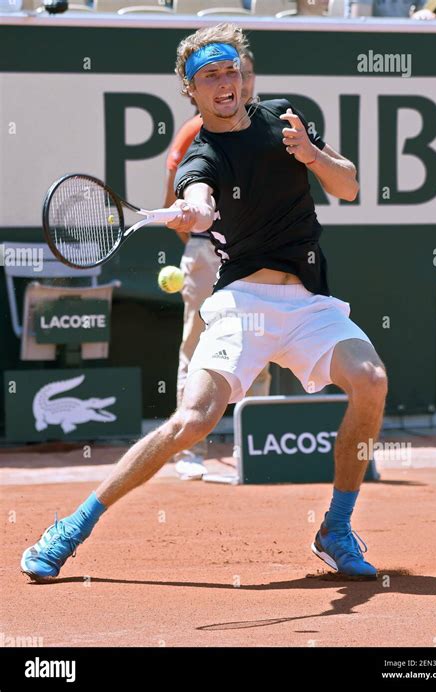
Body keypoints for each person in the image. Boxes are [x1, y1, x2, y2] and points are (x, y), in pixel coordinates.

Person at [21, 22, 388, 583]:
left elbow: (350, 186)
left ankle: (335, 529)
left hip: (310, 305)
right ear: (190, 90)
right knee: (191, 421)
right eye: (209, 76)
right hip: (243, 306)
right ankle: (72, 526)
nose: (225, 83)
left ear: (245, 77)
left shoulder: (285, 118)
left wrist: (312, 154)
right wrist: (194, 208)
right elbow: (200, 198)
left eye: (231, 72)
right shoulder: (202, 155)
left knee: (371, 380)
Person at [163, 50, 271, 481]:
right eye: (221, 74)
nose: (234, 82)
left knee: (262, 346)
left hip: (257, 257)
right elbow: (176, 203)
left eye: (241, 72)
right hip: (209, 254)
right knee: (197, 349)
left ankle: (257, 446)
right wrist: (201, 239)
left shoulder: (268, 125)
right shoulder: (196, 132)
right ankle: (188, 450)